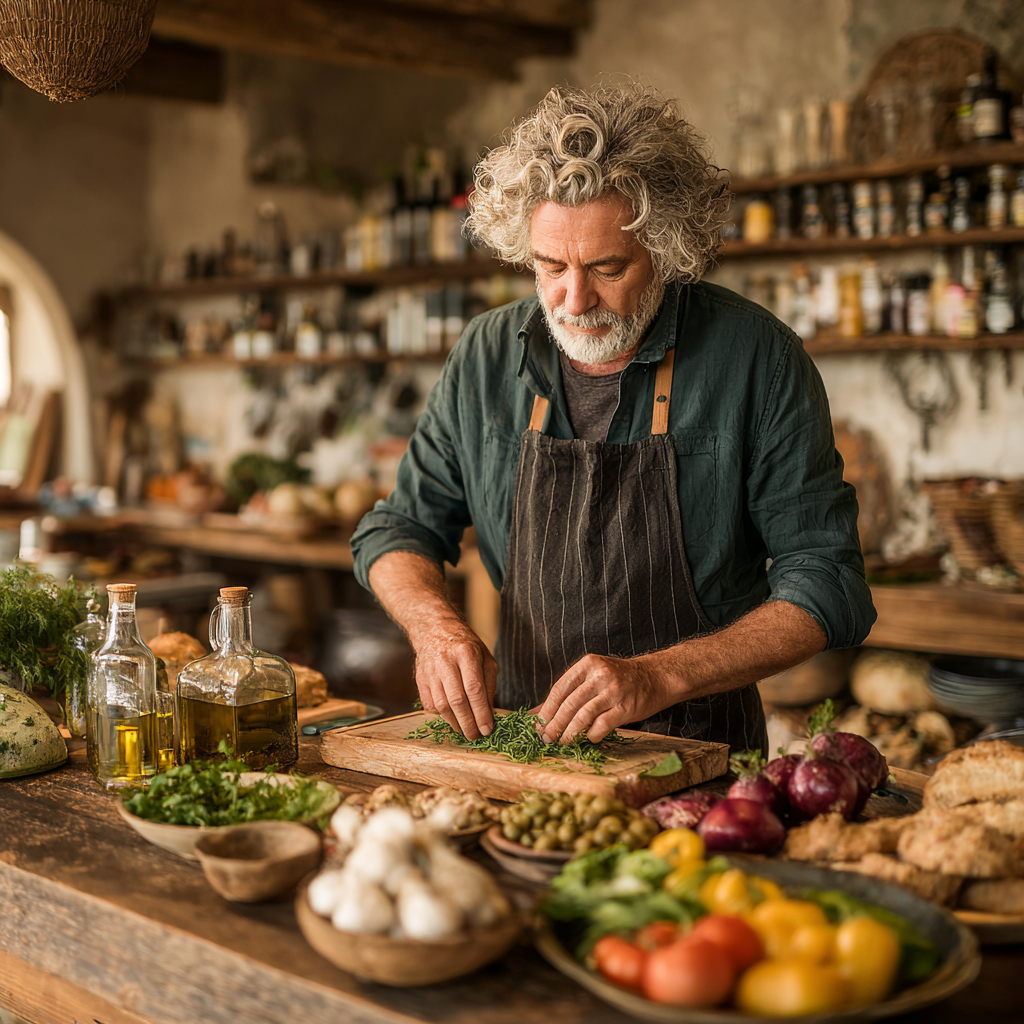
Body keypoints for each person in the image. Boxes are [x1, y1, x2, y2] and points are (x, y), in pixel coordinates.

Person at [351, 83, 875, 754]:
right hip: (526, 751)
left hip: (702, 761)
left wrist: (660, 675)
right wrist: (436, 628)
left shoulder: (755, 358)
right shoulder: (486, 355)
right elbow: (398, 529)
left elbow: (826, 579)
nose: (573, 299)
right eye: (549, 266)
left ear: (666, 246)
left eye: (606, 266)